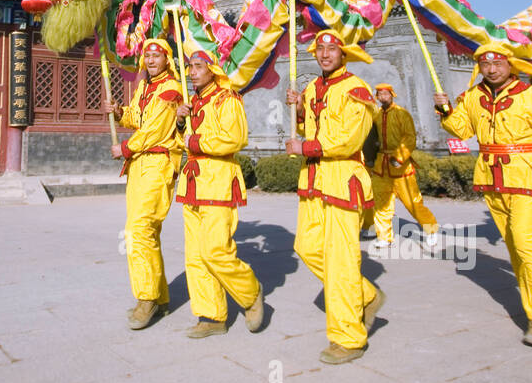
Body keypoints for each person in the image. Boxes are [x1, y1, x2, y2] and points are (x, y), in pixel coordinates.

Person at [434, 42, 532, 347]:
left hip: (529, 175)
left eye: (498, 63)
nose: (492, 69)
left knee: (527, 244)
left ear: (510, 65)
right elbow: (462, 130)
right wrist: (446, 109)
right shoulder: (473, 97)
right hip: (492, 177)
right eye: (485, 64)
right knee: (521, 247)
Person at [285, 29, 384, 364]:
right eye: (320, 49)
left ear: (344, 54)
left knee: (340, 260)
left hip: (342, 176)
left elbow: (349, 138)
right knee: (307, 247)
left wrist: (307, 146)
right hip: (314, 178)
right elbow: (310, 128)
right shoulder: (313, 87)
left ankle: (349, 339)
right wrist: (297, 112)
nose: (325, 54)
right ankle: (367, 294)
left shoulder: (356, 89)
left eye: (332, 49)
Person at [173, 49, 265, 338]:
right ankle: (211, 316)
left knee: (216, 250)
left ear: (213, 69)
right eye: (189, 67)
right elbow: (182, 142)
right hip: (193, 183)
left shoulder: (228, 99)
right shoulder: (191, 103)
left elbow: (235, 138)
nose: (192, 72)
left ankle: (250, 293)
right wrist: (178, 122)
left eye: (198, 66)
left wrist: (195, 141)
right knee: (195, 256)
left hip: (218, 181)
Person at [110, 38, 184, 330]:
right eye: (148, 55)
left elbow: (154, 131)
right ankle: (162, 297)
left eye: (157, 55)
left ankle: (147, 297)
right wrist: (119, 112)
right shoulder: (144, 87)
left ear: (167, 59)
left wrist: (125, 148)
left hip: (157, 162)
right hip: (139, 166)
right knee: (145, 231)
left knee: (138, 230)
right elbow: (138, 118)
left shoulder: (171, 90)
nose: (151, 60)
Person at [366, 83, 438, 248]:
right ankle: (384, 236)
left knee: (413, 202)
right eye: (380, 94)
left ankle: (431, 230)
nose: (383, 97)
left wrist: (399, 156)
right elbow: (370, 139)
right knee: (381, 202)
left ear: (392, 95)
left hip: (400, 167)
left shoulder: (401, 114)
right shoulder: (376, 116)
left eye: (385, 94)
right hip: (381, 166)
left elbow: (410, 137)